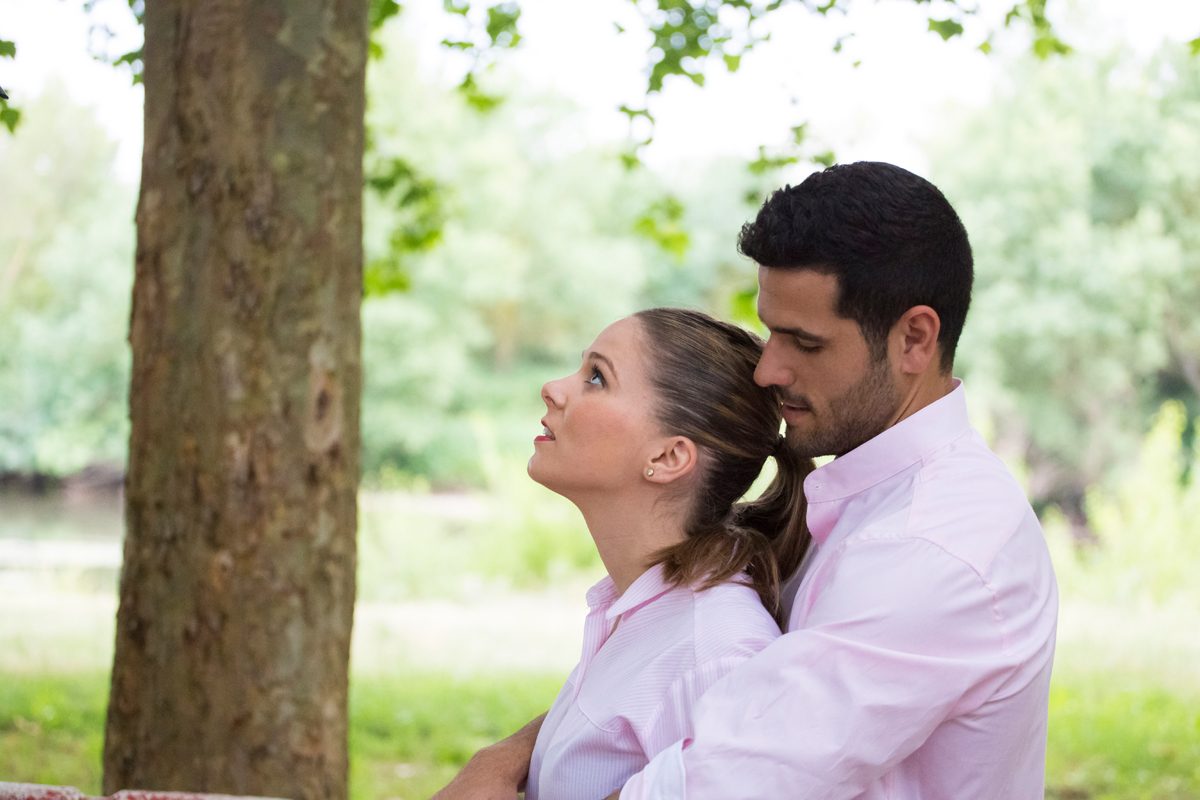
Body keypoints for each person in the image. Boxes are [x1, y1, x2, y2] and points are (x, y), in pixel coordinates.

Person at [434, 161, 1058, 800]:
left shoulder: (932, 546)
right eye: (769, 332)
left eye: (804, 343)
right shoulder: (864, 508)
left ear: (914, 339)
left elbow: (720, 778)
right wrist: (507, 755)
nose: (768, 370)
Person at [520, 307, 813, 800]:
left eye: (596, 377)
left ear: (667, 457)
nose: (553, 387)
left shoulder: (714, 653)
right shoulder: (642, 607)